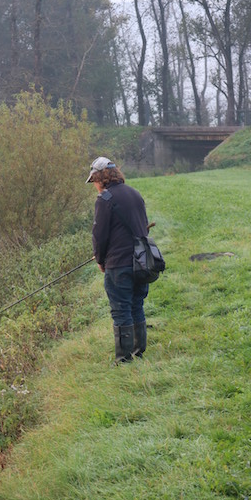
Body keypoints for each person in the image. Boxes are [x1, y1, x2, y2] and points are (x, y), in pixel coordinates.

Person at [86, 156, 150, 364]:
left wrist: (100, 259)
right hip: (141, 261)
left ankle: (123, 359)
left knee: (121, 309)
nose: (94, 185)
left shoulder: (104, 199)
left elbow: (99, 235)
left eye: (94, 180)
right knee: (136, 305)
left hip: (118, 264)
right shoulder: (134, 194)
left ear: (101, 178)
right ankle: (139, 352)